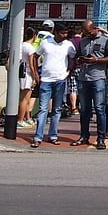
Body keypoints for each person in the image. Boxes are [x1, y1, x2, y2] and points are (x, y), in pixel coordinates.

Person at [28, 19, 74, 148]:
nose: (64, 35)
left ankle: (53, 135)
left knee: (57, 109)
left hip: (60, 79)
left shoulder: (68, 45)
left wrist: (69, 71)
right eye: (62, 33)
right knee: (43, 109)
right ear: (56, 33)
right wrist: (36, 73)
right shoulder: (45, 43)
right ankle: (38, 136)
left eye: (66, 33)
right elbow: (35, 56)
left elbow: (73, 57)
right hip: (46, 80)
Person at [73, 19, 108, 149]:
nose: (87, 34)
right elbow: (78, 56)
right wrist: (80, 60)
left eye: (89, 32)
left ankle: (101, 138)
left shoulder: (106, 40)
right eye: (85, 32)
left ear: (95, 28)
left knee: (99, 109)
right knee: (84, 109)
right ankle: (84, 135)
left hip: (98, 78)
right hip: (83, 78)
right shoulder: (83, 41)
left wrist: (96, 60)